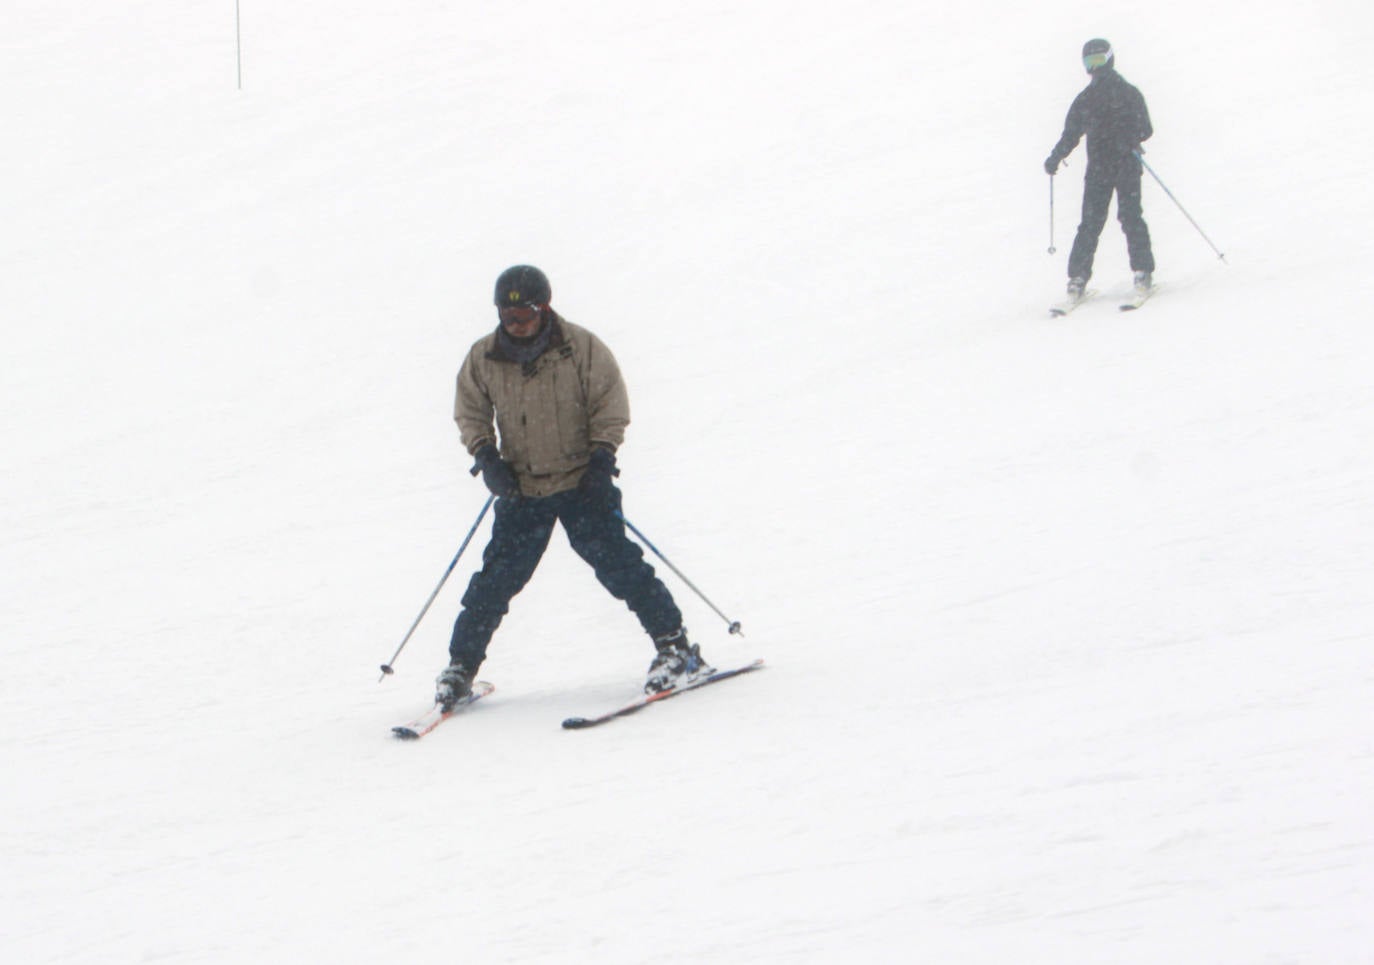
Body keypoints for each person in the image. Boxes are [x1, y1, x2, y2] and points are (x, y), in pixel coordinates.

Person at [434, 265, 712, 709]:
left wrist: (602, 456)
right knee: (495, 582)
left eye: (523, 316)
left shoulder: (580, 347)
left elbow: (610, 403)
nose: (515, 325)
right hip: (522, 489)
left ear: (543, 308)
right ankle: (460, 669)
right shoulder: (484, 356)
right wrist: (486, 456)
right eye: (507, 317)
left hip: (582, 481)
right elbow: (470, 411)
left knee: (619, 566)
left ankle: (675, 648)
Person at [1044, 39, 1156, 299]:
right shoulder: (1086, 99)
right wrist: (1055, 157)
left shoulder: (1127, 93)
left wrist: (1128, 137)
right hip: (1099, 169)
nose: (1094, 67)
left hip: (1126, 164)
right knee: (1090, 223)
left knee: (1130, 217)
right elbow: (1071, 133)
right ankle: (1078, 278)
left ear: (1109, 59)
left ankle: (1142, 271)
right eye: (1089, 62)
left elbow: (1146, 128)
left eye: (1098, 61)